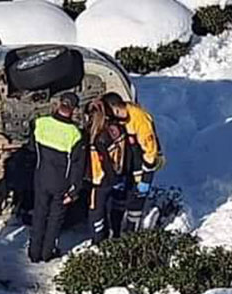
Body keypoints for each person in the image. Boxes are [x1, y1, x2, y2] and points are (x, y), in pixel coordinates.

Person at [28, 92, 85, 263]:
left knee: (39, 214)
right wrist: (74, 190)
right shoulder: (75, 134)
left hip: (41, 176)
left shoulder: (40, 123)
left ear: (59, 104)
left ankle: (34, 252)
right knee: (55, 218)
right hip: (61, 181)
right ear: (74, 109)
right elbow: (77, 165)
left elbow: (32, 148)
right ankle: (47, 252)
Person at [110, 94, 162, 233]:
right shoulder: (116, 120)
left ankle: (131, 234)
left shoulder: (139, 119)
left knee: (135, 204)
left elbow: (150, 152)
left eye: (114, 112)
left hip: (141, 167)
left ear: (118, 108)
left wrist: (146, 179)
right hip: (126, 167)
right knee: (118, 202)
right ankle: (115, 233)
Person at [86, 94, 129, 244]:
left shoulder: (98, 138)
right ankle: (116, 234)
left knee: (96, 211)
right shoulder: (118, 129)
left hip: (101, 180)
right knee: (115, 208)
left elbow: (104, 162)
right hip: (119, 175)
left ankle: (98, 241)